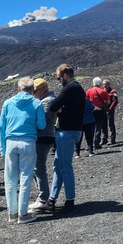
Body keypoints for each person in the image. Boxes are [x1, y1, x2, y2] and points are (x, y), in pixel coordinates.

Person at [0, 77, 45, 224]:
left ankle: (12, 214)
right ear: (32, 90)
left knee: (10, 180)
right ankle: (23, 214)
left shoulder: (7, 103)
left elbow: (1, 126)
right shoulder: (36, 103)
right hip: (28, 142)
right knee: (25, 178)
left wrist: (3, 148)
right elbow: (42, 125)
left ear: (19, 88)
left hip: (10, 142)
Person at [47, 64, 85, 213]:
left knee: (65, 167)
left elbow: (52, 106)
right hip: (74, 130)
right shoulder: (78, 88)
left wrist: (59, 109)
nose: (58, 81)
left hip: (67, 132)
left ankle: (70, 200)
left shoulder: (69, 88)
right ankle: (52, 198)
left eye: (58, 78)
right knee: (59, 166)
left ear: (65, 76)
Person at [28, 78, 56, 214]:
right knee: (36, 167)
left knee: (39, 168)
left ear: (43, 89)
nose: (34, 94)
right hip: (44, 136)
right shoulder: (46, 100)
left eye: (35, 91)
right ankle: (42, 197)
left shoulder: (47, 101)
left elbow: (41, 119)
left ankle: (43, 199)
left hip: (43, 137)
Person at [86, 77, 110, 148]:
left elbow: (86, 101)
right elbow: (108, 102)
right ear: (100, 83)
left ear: (93, 83)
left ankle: (90, 145)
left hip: (92, 111)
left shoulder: (89, 91)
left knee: (91, 128)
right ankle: (97, 143)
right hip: (100, 111)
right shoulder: (103, 91)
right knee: (98, 128)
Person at [102, 79, 118, 144]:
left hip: (110, 110)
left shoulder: (113, 91)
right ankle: (104, 139)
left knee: (111, 124)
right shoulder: (102, 91)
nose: (104, 86)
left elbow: (115, 101)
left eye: (106, 84)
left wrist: (110, 108)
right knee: (103, 124)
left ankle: (112, 139)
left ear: (109, 84)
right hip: (104, 110)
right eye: (103, 84)